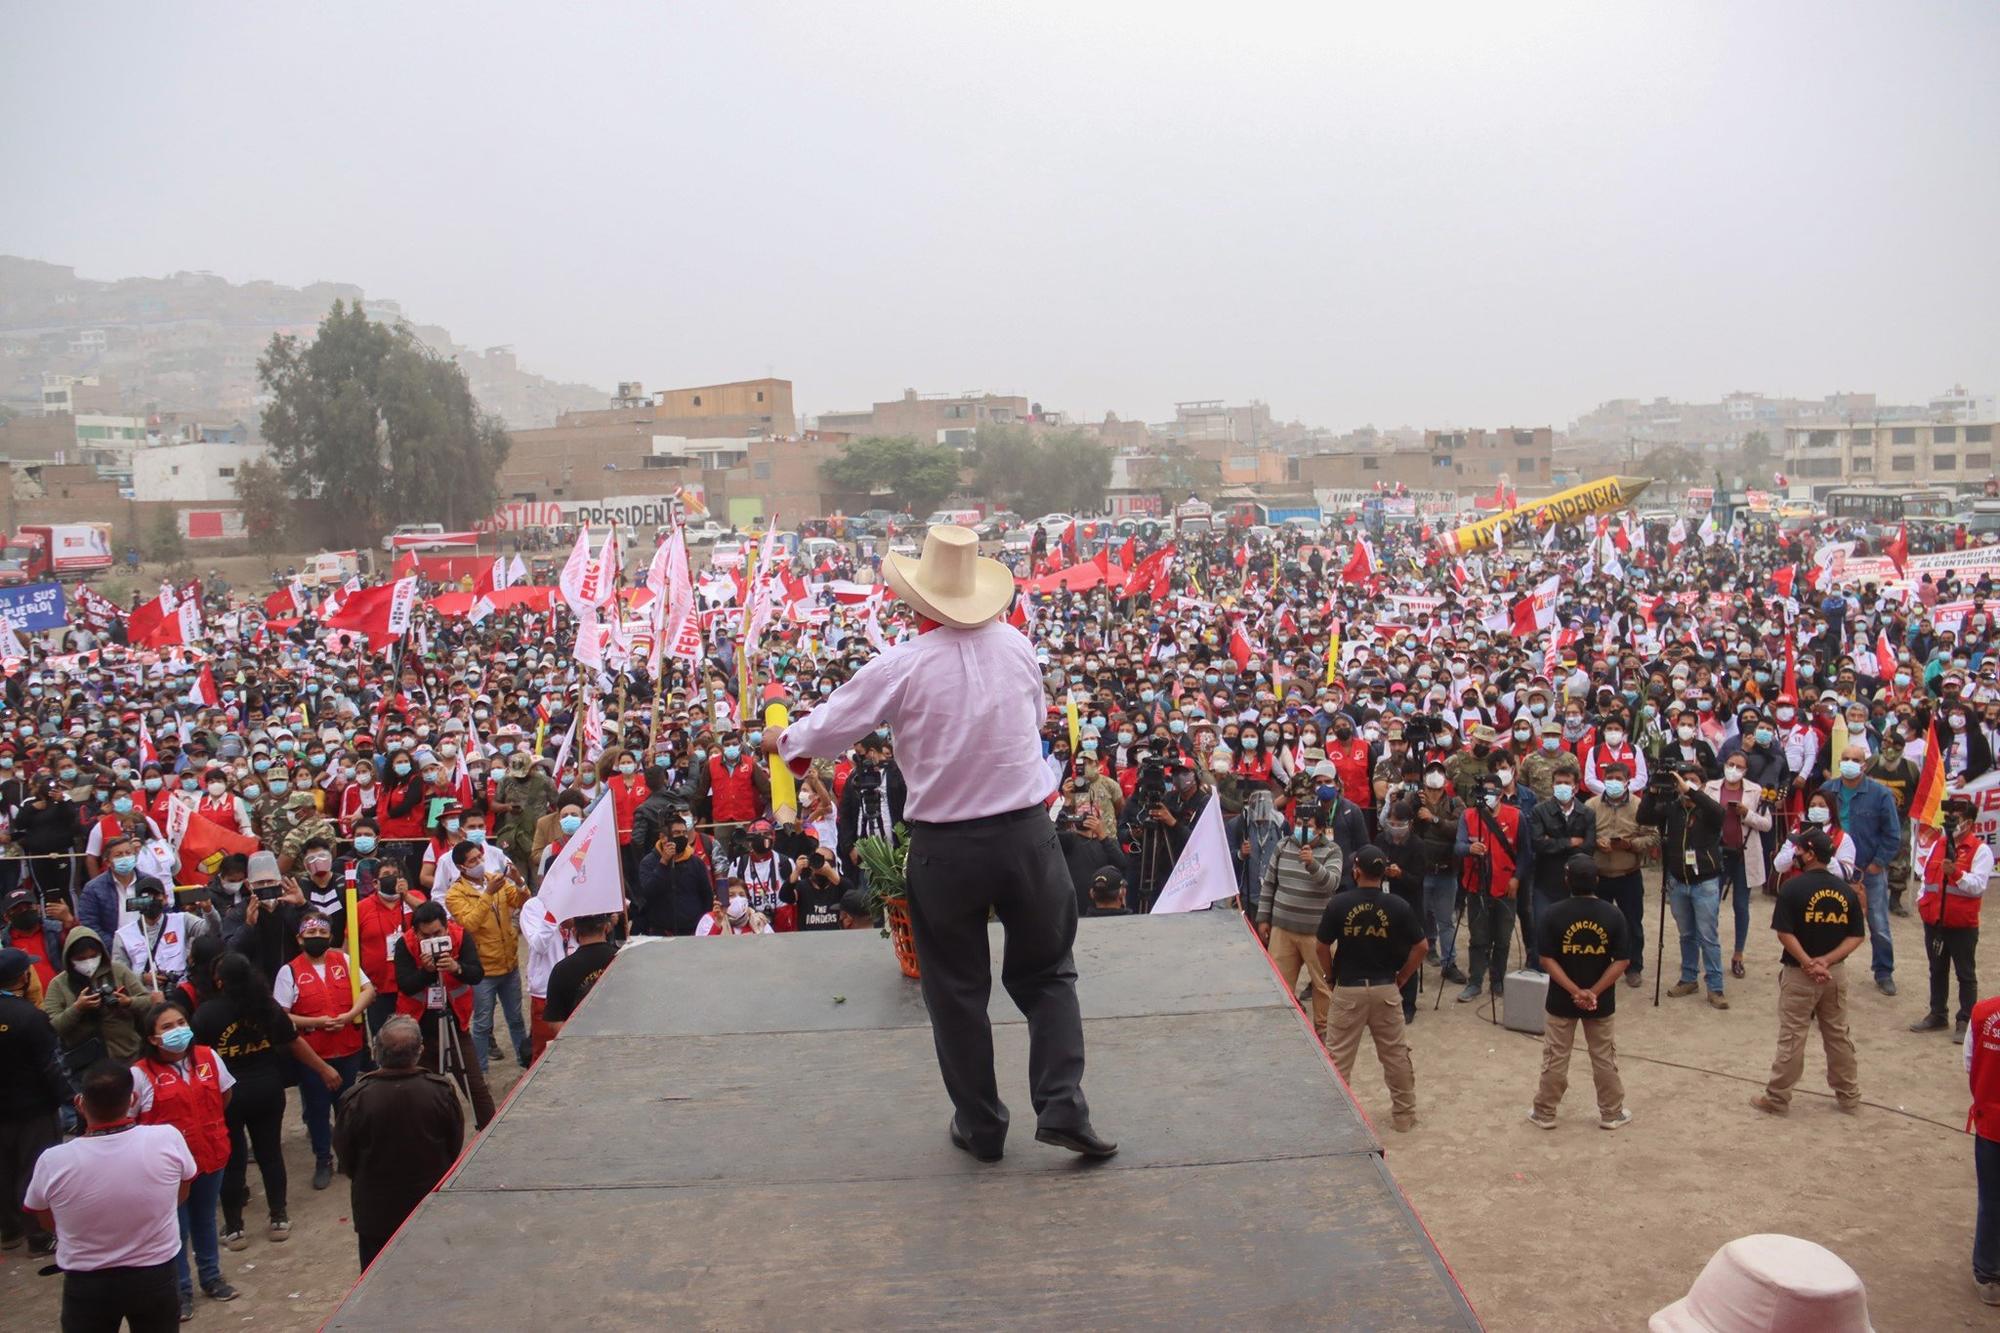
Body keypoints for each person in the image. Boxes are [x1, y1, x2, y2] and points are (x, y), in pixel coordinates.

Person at [768, 525, 1113, 1163]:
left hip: (946, 850)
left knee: (956, 992)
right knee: (1049, 975)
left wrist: (783, 743)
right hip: (1028, 838)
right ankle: (1063, 1105)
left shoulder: (902, 664)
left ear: (917, 601)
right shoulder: (1017, 646)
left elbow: (828, 729)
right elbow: (1033, 723)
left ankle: (982, 1129)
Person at [25, 1060, 195, 1333]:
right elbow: (182, 1190)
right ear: (133, 1099)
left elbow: (42, 1215)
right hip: (154, 1272)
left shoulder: (54, 1160)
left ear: (80, 1103)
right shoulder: (166, 1139)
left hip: (87, 1280)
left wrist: (79, 1230)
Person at [195, 950, 342, 1249]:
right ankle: (279, 1217)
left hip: (227, 1096)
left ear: (219, 981)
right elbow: (294, 1042)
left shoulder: (206, 1014)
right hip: (268, 1091)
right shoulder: (267, 1007)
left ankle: (235, 1228)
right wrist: (324, 1068)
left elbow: (196, 1059)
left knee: (233, 1160)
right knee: (270, 1154)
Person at [131, 1002, 239, 1318]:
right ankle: (180, 1291)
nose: (178, 1030)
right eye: (167, 1027)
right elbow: (131, 1120)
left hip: (211, 1154)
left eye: (181, 1022)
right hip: (166, 1169)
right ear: (152, 1038)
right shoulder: (139, 1075)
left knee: (205, 1218)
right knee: (174, 1229)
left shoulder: (207, 1057)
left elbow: (224, 1095)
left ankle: (211, 1277)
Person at [332, 1015, 464, 1271]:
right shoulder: (439, 1091)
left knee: (377, 1274)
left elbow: (346, 1156)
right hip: (427, 1204)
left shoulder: (357, 1099)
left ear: (376, 1051)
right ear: (420, 1052)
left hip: (376, 1208)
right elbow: (454, 1144)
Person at [1751, 829, 1864, 1116]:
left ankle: (1777, 1099)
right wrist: (1826, 961)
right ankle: (1849, 1096)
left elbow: (1784, 933)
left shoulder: (1793, 888)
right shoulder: (1844, 890)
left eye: (1799, 850)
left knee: (1793, 1036)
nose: (1795, 855)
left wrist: (1807, 963)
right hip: (1834, 974)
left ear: (1810, 853)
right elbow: (1856, 936)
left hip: (1799, 975)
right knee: (1838, 1035)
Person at [1313, 845, 1424, 1132]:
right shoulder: (1398, 905)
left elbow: (1321, 946)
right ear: (1384, 871)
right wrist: (1402, 977)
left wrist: (1329, 976)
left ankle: (1335, 1118)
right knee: (1395, 1055)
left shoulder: (1339, 904)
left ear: (1356, 870)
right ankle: (1404, 1115)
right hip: (1385, 987)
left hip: (1348, 988)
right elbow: (1421, 946)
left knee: (1338, 1056)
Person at [1528, 855, 1632, 1131]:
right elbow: (1622, 961)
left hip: (1562, 998)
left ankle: (1545, 1112)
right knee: (1603, 1056)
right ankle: (1611, 1113)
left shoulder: (1553, 913)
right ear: (1597, 881)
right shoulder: (1613, 914)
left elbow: (1546, 959)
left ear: (1566, 881)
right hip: (1601, 999)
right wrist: (1593, 992)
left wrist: (1574, 991)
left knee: (1555, 1056)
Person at [274, 912, 373, 1191]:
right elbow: (281, 1015)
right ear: (299, 939)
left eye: (321, 935)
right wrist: (315, 1022)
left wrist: (351, 1013)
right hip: (312, 1054)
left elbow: (368, 990)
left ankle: (348, 1155)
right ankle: (323, 1159)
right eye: (310, 935)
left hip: (348, 1049)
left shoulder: (345, 961)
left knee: (348, 1107)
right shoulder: (289, 971)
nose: (316, 939)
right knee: (317, 1111)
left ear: (330, 937)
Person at [392, 900, 495, 1129]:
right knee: (422, 1093)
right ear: (415, 932)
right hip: (418, 1030)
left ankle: (491, 1130)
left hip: (455, 1025)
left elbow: (477, 974)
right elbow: (405, 984)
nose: (432, 941)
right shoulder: (405, 945)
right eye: (425, 936)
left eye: (438, 933)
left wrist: (457, 968)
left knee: (476, 1086)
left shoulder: (460, 937)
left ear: (447, 927)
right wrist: (427, 973)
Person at [1640, 761, 1731, 1010]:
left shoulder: (1708, 809)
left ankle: (1715, 986)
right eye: (1682, 779)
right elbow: (1644, 816)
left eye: (1691, 779)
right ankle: (1689, 978)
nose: (1685, 784)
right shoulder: (1673, 808)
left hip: (1705, 882)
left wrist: (1691, 791)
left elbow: (1720, 814)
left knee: (1708, 936)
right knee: (1686, 934)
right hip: (1678, 881)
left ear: (1701, 784)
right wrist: (1652, 789)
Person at [1256, 801, 1345, 1035]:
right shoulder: (1283, 846)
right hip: (1283, 929)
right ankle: (1283, 1031)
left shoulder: (1332, 850)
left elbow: (1332, 884)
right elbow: (1269, 884)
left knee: (1322, 986)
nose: (1301, 829)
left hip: (1317, 934)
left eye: (1308, 825)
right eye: (1297, 823)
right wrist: (1263, 917)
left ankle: (1324, 1033)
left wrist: (1313, 864)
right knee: (1280, 985)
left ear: (1321, 829)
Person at [443, 840, 531, 1073]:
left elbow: (522, 901)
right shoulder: (455, 894)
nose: (479, 863)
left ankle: (526, 1063)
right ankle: (480, 1071)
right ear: (461, 867)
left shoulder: (494, 879)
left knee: (516, 1019)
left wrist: (519, 881)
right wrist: (488, 895)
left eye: (479, 858)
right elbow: (469, 923)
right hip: (483, 969)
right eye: (472, 861)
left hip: (509, 961)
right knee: (482, 1024)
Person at [0, 947, 66, 1257]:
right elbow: (50, 1066)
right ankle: (38, 1236)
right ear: (23, 977)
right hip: (34, 1108)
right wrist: (68, 1097)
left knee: (5, 1169)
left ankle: (10, 1229)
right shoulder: (30, 1017)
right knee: (34, 1170)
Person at [1912, 797, 1990, 1039]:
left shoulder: (1980, 850)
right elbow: (1926, 878)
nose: (1952, 821)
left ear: (1969, 822)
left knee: (1965, 973)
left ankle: (1965, 1019)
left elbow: (1978, 885)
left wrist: (1956, 873)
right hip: (1934, 921)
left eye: (1957, 818)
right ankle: (1938, 1014)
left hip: (1962, 924)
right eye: (1950, 817)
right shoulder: (1939, 844)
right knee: (1937, 968)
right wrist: (1922, 903)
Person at [1830, 739, 1902, 996]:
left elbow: (1892, 834)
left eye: (1855, 760)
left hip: (1867, 871)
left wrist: (1877, 864)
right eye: (1845, 759)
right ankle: (1829, 969)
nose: (1850, 764)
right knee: (1829, 922)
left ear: (1864, 765)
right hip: (1834, 871)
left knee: (1879, 924)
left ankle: (1884, 972)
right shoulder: (1828, 790)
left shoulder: (1880, 794)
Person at [1456, 774, 1525, 1003]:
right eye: (1483, 792)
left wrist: (1517, 878)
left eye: (1492, 792)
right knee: (1479, 937)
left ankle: (1498, 979)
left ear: (1501, 793)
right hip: (1477, 886)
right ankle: (1475, 981)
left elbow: (1526, 853)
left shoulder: (1516, 816)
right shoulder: (1468, 816)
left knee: (1503, 938)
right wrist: (1469, 848)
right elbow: (1458, 846)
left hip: (1506, 887)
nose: (1488, 796)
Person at [1588, 760, 1656, 991]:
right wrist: (1596, 842)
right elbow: (1582, 835)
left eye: (1618, 779)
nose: (1614, 783)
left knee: (1632, 923)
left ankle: (1633, 967)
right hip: (1599, 875)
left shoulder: (1640, 806)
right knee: (1598, 924)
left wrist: (1630, 844)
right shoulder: (1591, 805)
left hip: (1629, 874)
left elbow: (1652, 838)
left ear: (1628, 781)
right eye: (1610, 778)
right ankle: (1599, 965)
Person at [44, 925, 152, 1068]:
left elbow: (149, 1001)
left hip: (128, 1054)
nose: (89, 962)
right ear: (69, 958)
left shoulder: (118, 971)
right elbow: (52, 1027)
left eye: (93, 956)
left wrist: (128, 1002)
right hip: (86, 1064)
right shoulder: (59, 984)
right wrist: (77, 1008)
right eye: (81, 958)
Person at [1708, 751, 1773, 983]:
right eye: (1730, 764)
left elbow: (1766, 824)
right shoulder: (1711, 787)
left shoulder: (1755, 791)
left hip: (1743, 855)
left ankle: (1738, 954)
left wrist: (1747, 814)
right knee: (1710, 905)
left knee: (1741, 906)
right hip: (1717, 853)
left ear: (1746, 770)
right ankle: (1710, 952)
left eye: (1739, 766)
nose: (1733, 769)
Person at [541, 913, 620, 1037]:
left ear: (574, 931)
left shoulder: (561, 970)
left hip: (579, 1045)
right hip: (620, 1039)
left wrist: (577, 1041)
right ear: (607, 927)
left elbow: (554, 1021)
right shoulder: (623, 959)